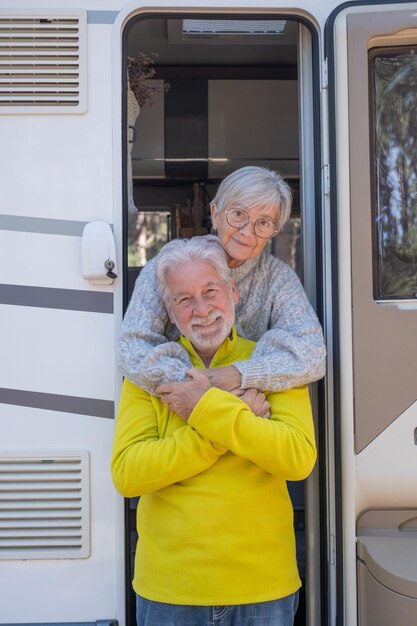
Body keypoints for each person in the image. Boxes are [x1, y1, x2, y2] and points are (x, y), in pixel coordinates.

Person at [111, 236, 317, 626]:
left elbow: (296, 458)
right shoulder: (149, 370)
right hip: (170, 589)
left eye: (211, 291)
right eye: (184, 299)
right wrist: (228, 419)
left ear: (233, 292)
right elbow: (129, 473)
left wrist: (202, 408)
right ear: (169, 312)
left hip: (263, 587)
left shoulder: (272, 362)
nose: (202, 310)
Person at [118, 165, 326, 406]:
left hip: (251, 411)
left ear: (273, 232)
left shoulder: (278, 279)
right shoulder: (165, 269)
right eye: (238, 214)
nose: (248, 232)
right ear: (215, 213)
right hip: (175, 410)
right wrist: (200, 388)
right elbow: (131, 349)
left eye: (264, 222)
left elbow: (313, 356)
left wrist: (238, 375)